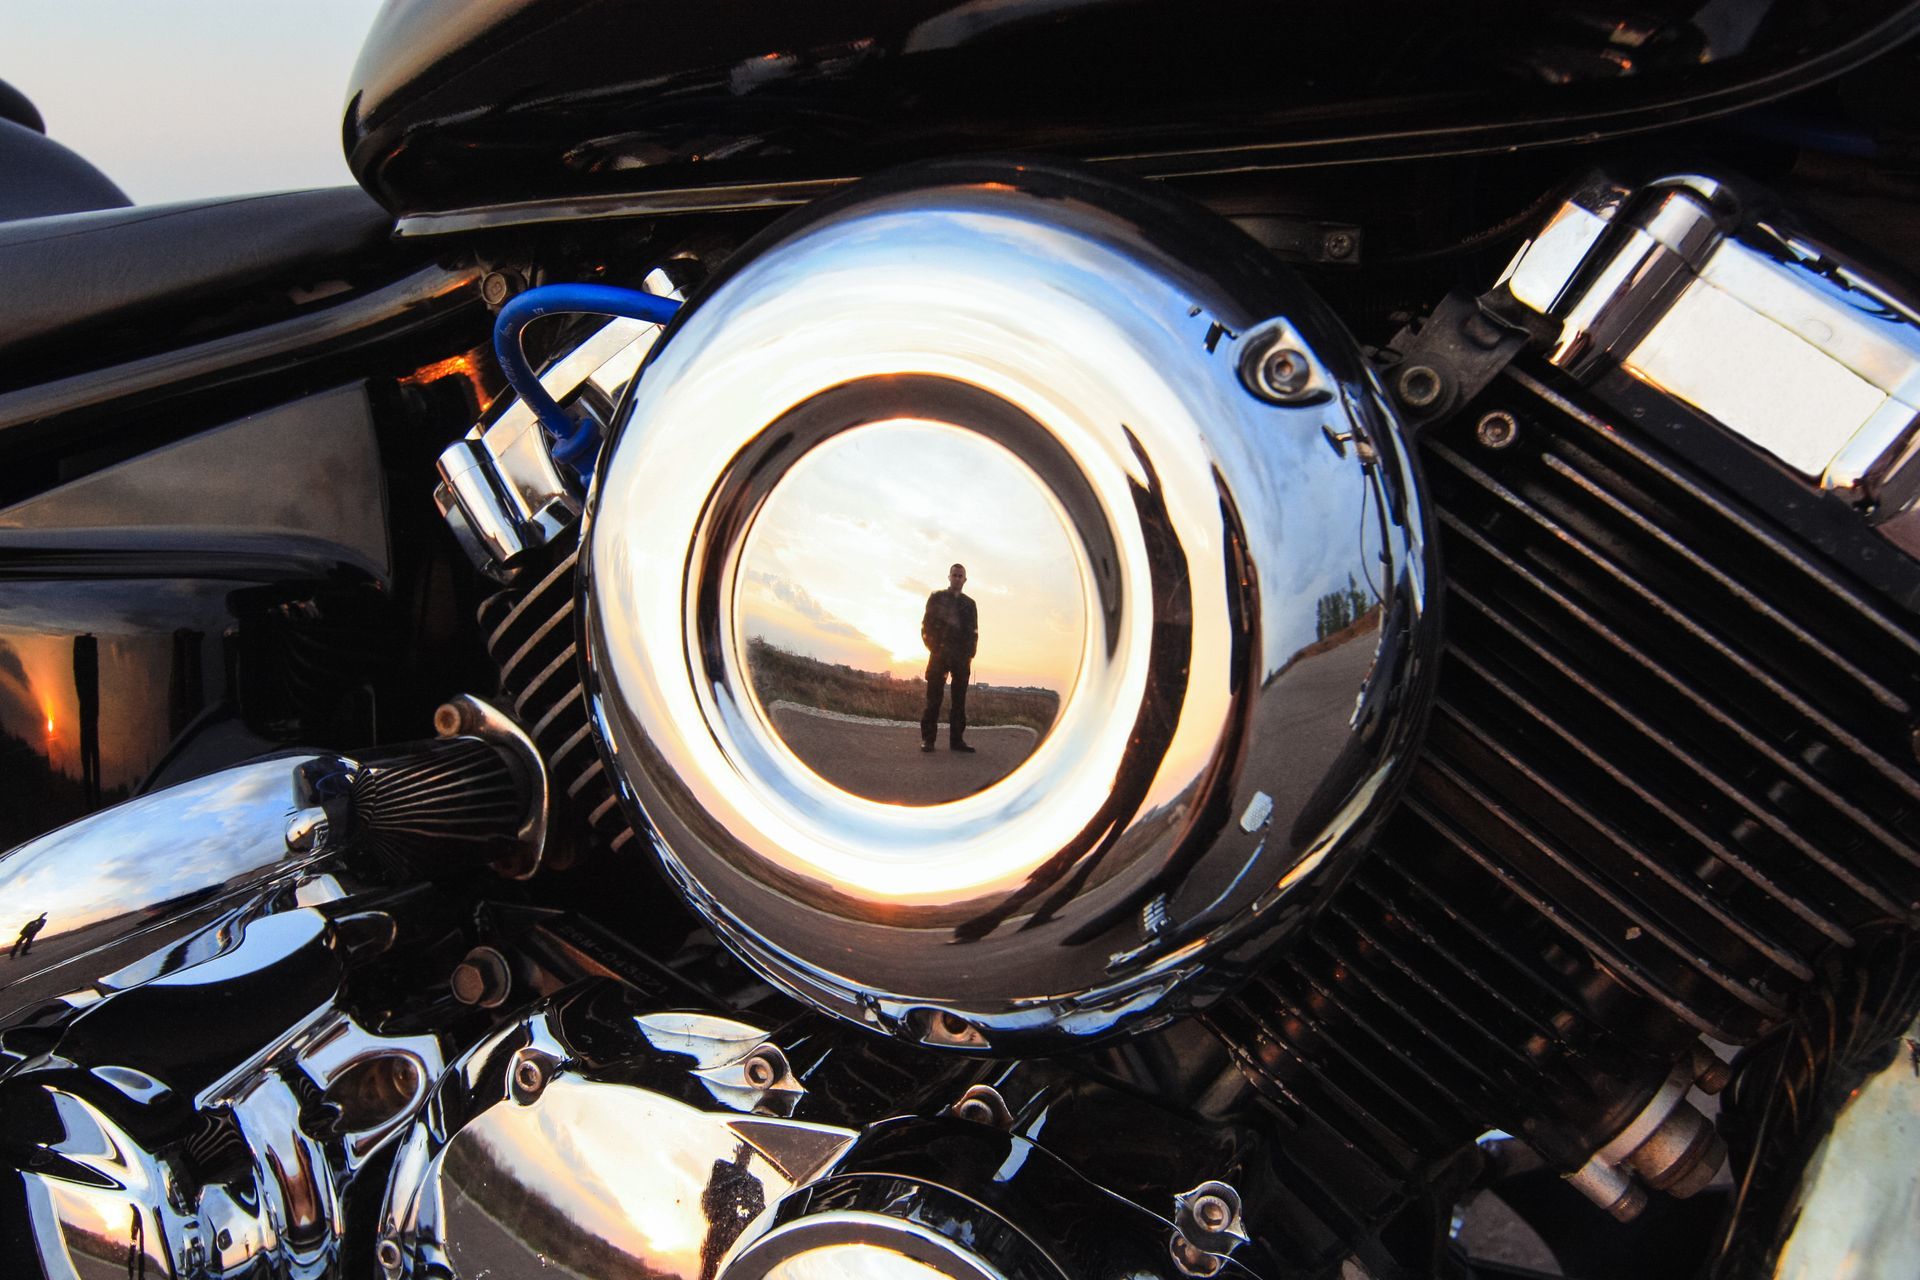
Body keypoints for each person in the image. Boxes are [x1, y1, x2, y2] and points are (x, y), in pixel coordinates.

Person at [920, 563, 978, 753]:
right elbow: (926, 627)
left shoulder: (970, 604)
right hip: (939, 656)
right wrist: (935, 649)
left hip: (961, 660)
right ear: (949, 577)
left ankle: (957, 741)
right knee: (933, 700)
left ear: (965, 580)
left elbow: (973, 632)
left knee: (959, 702)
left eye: (960, 576)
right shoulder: (937, 598)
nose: (957, 578)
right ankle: (928, 740)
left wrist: (969, 655)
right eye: (954, 575)